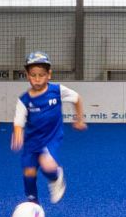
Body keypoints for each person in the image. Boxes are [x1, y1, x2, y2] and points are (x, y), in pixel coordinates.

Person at [11, 51, 86, 205]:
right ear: (27, 75)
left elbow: (77, 98)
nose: (37, 79)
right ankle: (33, 203)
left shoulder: (57, 91)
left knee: (47, 164)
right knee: (29, 172)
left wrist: (79, 120)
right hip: (32, 141)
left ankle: (56, 176)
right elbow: (19, 121)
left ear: (49, 75)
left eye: (41, 75)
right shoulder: (24, 100)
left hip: (51, 137)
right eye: (33, 75)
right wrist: (17, 132)